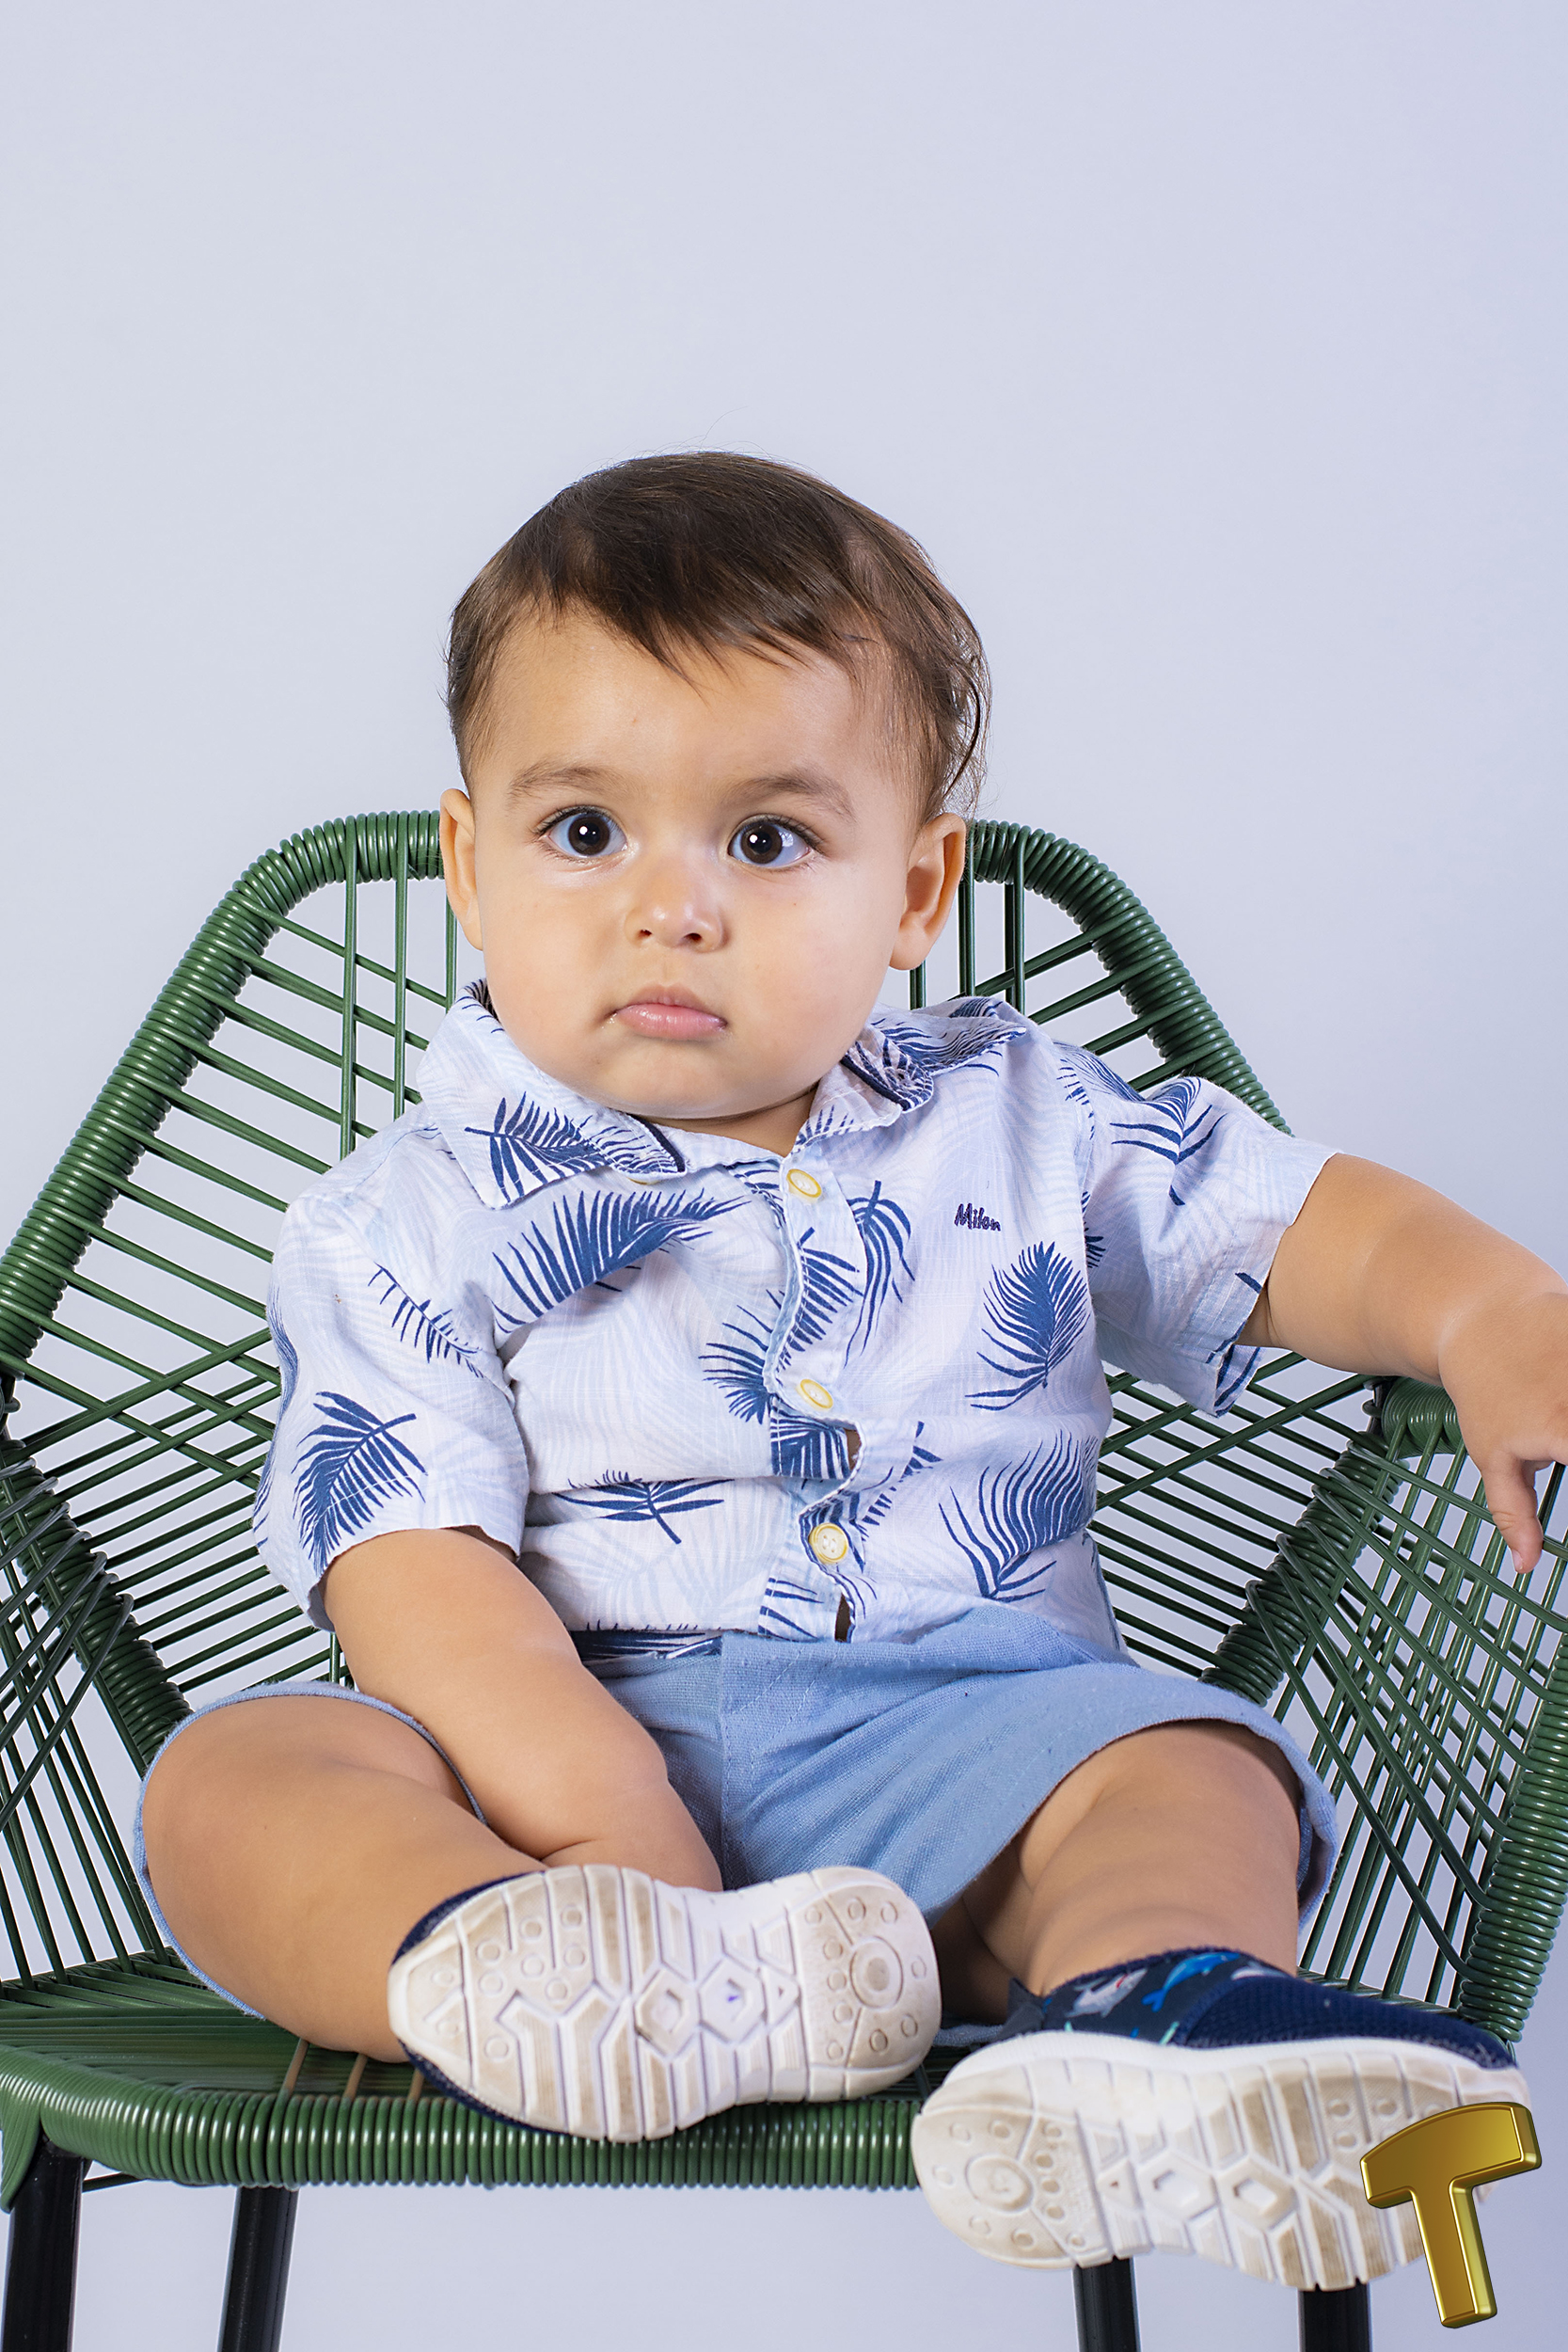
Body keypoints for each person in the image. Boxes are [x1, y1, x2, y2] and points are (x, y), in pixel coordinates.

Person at [138, 453, 1557, 2292]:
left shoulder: (1022, 1116)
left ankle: (1152, 2018)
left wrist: (1488, 1309)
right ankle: (520, 1968)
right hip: (538, 1773)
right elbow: (415, 1570)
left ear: (914, 889)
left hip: (967, 1749)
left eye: (766, 840)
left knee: (1193, 1767)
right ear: (469, 868)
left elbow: (1296, 1230)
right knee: (240, 1778)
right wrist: (611, 1842)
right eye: (588, 831)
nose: (674, 906)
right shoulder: (401, 1214)